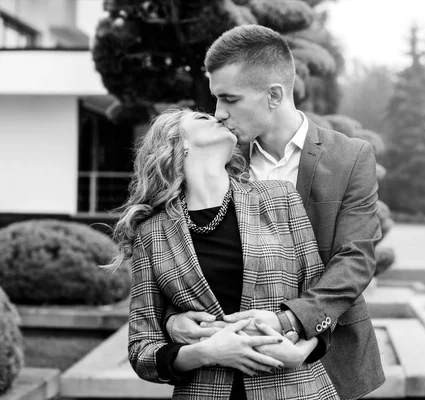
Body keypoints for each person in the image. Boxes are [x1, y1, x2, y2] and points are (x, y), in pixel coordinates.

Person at [166, 25, 385, 399]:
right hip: (225, 371)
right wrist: (173, 318)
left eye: (230, 99)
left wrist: (291, 320)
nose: (218, 114)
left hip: (325, 362)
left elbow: (356, 258)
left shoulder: (351, 156)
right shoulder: (216, 157)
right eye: (216, 98)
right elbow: (182, 250)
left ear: (274, 95)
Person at [108, 108, 339, 400]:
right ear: (179, 143)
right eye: (202, 118)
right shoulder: (151, 234)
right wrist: (205, 352)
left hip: (297, 389)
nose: (219, 116)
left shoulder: (281, 197)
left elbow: (319, 299)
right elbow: (142, 348)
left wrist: (301, 351)